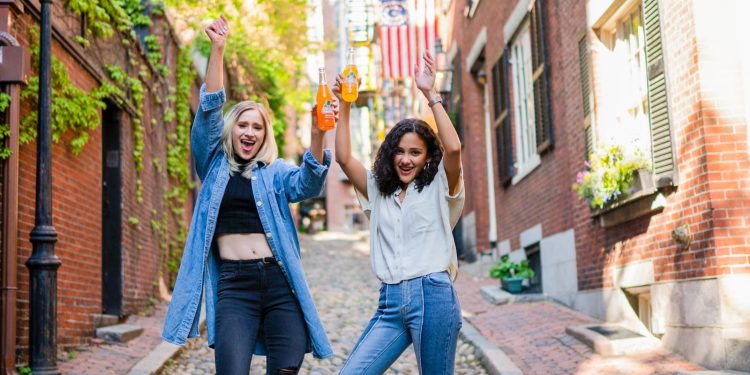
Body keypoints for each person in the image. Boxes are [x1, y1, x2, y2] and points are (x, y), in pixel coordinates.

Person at [161, 15, 334, 375]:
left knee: (286, 368)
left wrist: (318, 134)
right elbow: (209, 110)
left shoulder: (274, 172)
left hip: (279, 284)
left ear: (264, 135)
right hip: (234, 287)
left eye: (257, 126)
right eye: (243, 124)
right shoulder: (212, 165)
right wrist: (218, 49)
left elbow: (307, 184)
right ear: (231, 129)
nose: (250, 132)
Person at [332, 51, 465, 374]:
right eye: (400, 152)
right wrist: (345, 103)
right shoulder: (380, 190)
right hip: (390, 302)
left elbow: (454, 148)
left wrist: (430, 94)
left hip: (432, 296)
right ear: (390, 155)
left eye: (415, 153)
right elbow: (344, 159)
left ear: (426, 157)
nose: (406, 160)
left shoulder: (439, 186)